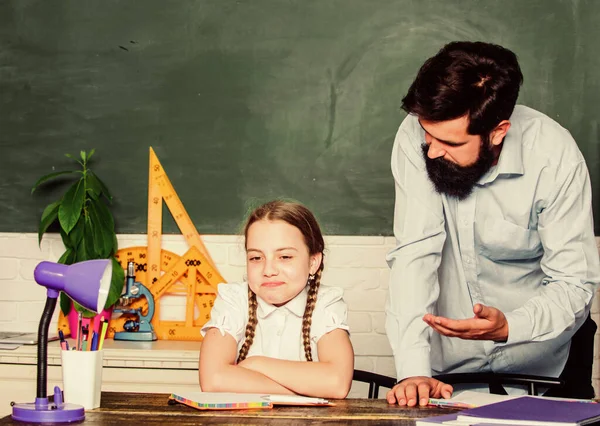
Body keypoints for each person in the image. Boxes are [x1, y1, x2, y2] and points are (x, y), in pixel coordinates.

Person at [385, 41, 600, 406]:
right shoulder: (417, 136)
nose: (432, 150)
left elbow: (574, 282)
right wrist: (413, 368)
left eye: (448, 142)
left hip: (546, 361)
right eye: (427, 134)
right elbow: (414, 256)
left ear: (498, 131)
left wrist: (510, 326)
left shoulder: (554, 157)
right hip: (449, 367)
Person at [199, 200, 354, 398]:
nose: (269, 270)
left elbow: (336, 383)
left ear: (313, 262)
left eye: (285, 257)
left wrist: (256, 364)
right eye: (256, 258)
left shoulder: (326, 303)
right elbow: (213, 380)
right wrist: (304, 392)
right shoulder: (233, 300)